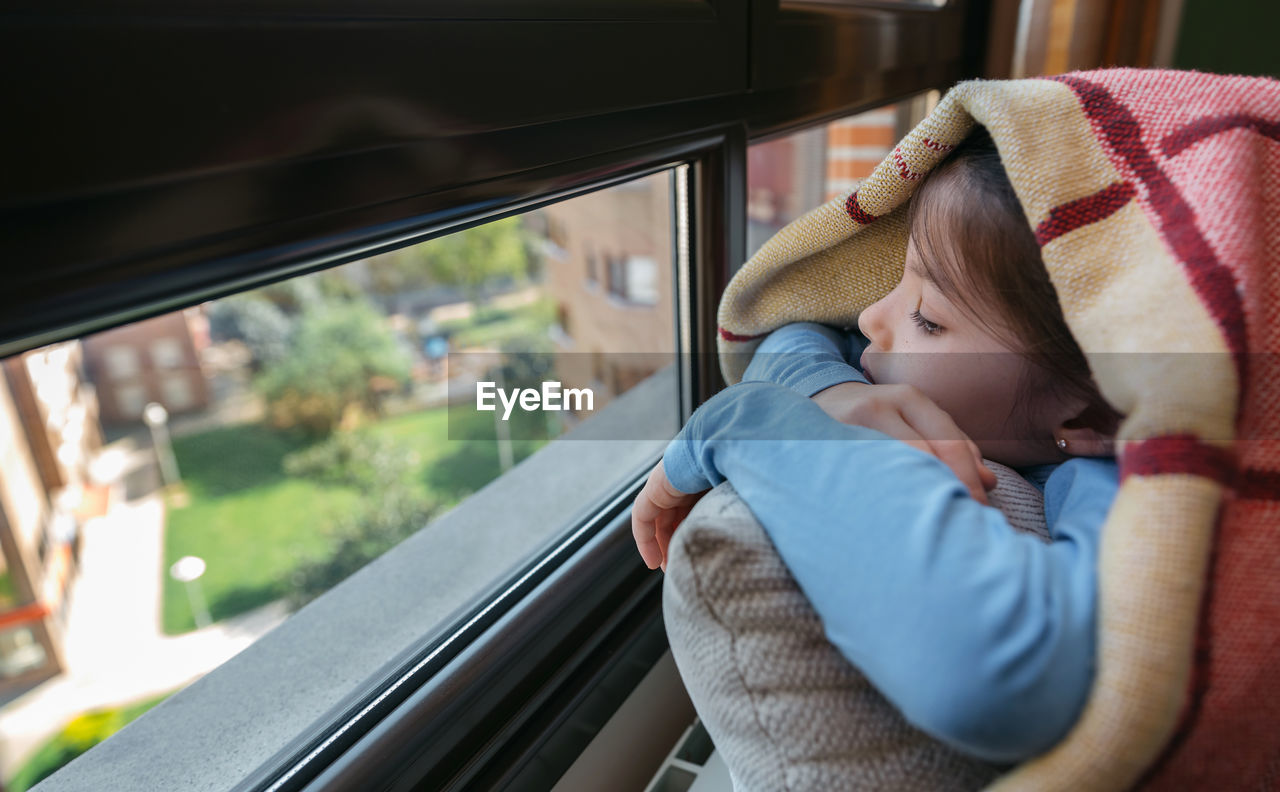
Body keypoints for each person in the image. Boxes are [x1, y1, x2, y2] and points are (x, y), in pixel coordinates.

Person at [631, 126, 1124, 764]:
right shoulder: (1020, 416)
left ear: (1088, 407)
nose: (867, 318)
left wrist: (752, 423)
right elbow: (795, 331)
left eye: (927, 317)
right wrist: (827, 391)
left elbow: (999, 677)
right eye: (894, 279)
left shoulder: (1125, 492)